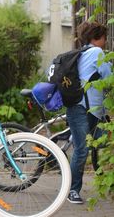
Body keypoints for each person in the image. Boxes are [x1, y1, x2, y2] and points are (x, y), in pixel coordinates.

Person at [66, 21, 112, 204]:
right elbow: (109, 78)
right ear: (96, 38)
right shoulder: (96, 53)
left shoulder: (82, 52)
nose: (106, 41)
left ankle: (102, 179)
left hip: (90, 109)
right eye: (104, 38)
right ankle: (72, 190)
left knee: (99, 142)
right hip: (82, 108)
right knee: (82, 149)